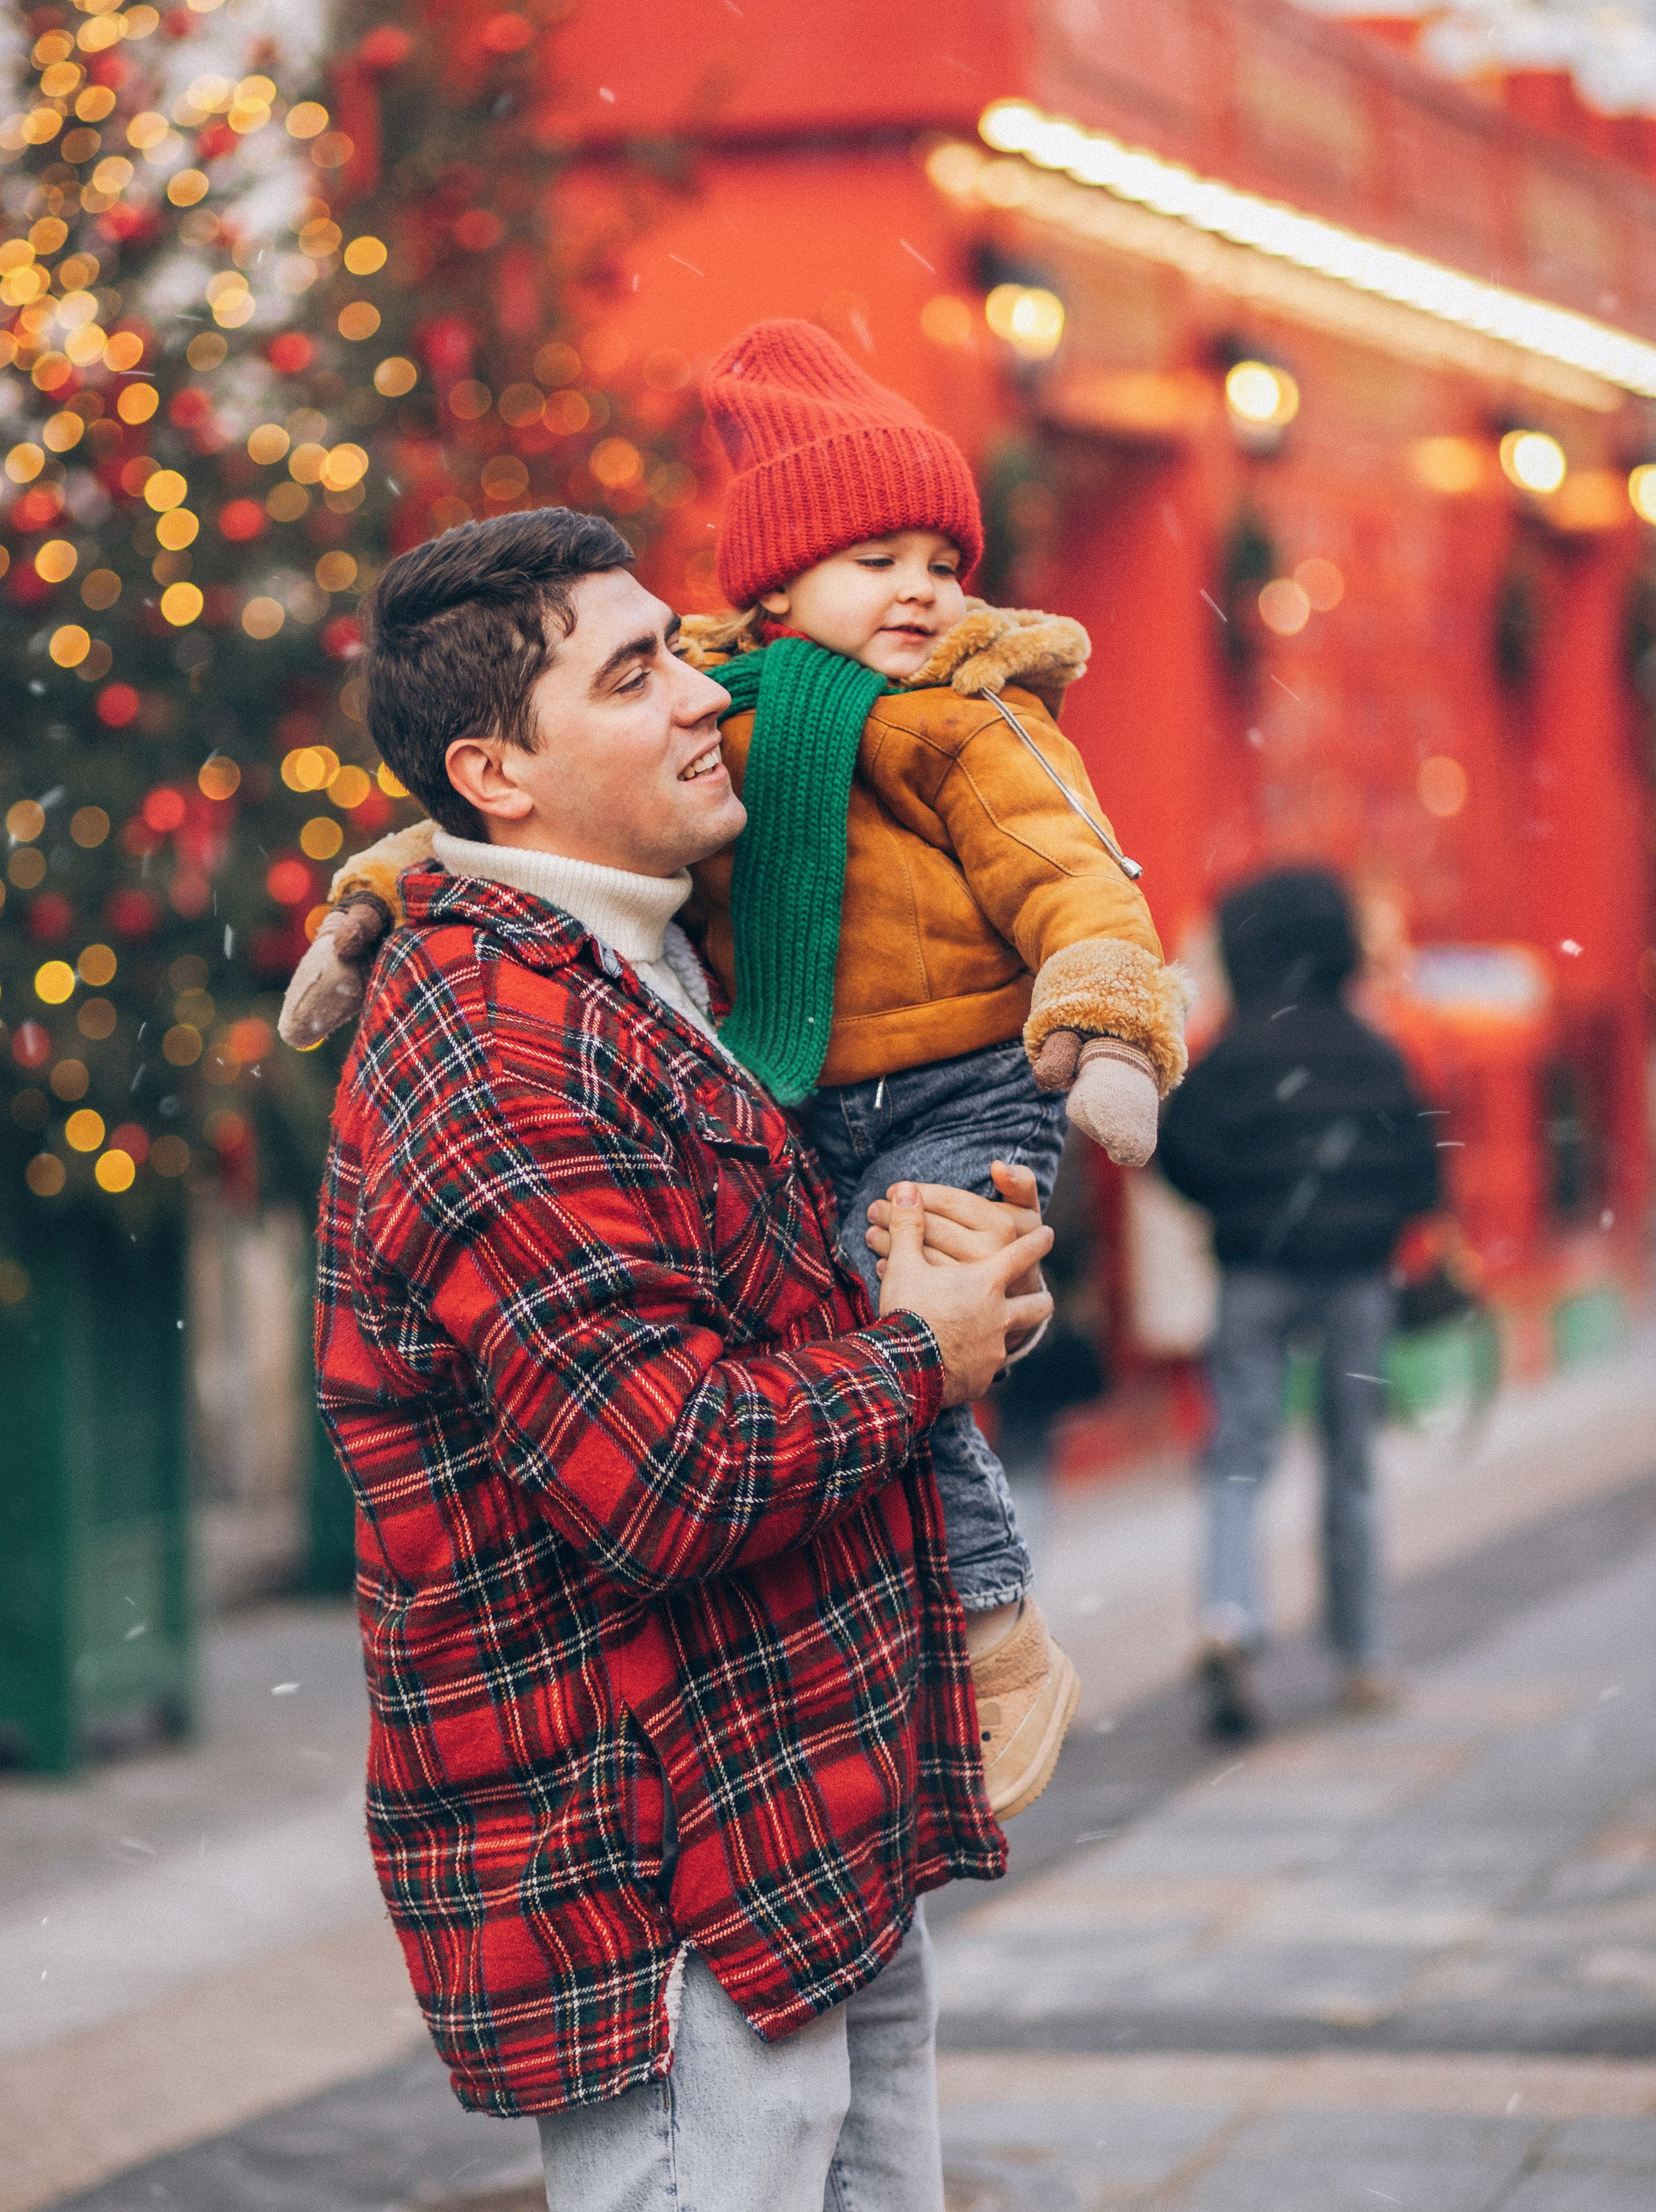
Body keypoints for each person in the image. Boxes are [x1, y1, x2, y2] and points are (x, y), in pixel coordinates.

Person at [287, 321, 1189, 1818]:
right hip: (627, 1807)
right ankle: (980, 1616)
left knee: (890, 1281)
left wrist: (1102, 1037)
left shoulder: (942, 732)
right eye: (872, 560)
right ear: (770, 590)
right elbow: (671, 1465)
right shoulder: (516, 1030)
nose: (917, 591)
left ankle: (973, 1619)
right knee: (879, 1298)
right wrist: (360, 912)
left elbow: (1070, 878)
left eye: (938, 563)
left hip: (956, 1088)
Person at [315, 505, 1052, 2212]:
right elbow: (662, 1473)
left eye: (683, 647)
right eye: (633, 674)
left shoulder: (655, 960)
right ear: (496, 772)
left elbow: (746, 1322)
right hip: (646, 1847)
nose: (708, 695)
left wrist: (943, 1284)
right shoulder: (493, 1043)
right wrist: (917, 1357)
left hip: (791, 1801)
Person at [1156, 865, 1441, 1741]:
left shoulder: (1230, 1057)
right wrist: (1370, 1218)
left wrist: (1241, 1211)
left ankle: (1231, 1613)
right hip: (1357, 1277)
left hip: (1254, 1276)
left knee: (1239, 1452)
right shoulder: (1374, 1048)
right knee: (1351, 1464)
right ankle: (1362, 1653)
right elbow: (1424, 1171)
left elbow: (1175, 1152)